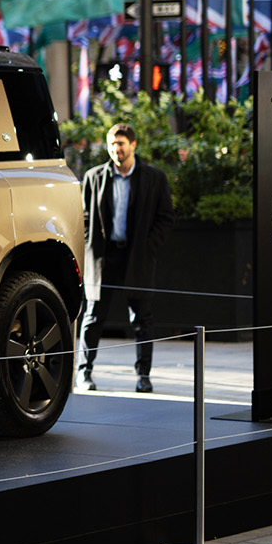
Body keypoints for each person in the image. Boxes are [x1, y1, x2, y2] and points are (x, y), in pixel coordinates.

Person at [79, 123, 173, 392]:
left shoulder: (154, 178)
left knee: (142, 319)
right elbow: (84, 216)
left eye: (120, 144)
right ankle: (84, 373)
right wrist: (89, 242)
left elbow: (165, 218)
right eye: (111, 144)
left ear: (133, 145)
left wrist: (149, 247)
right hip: (103, 258)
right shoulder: (94, 177)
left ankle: (144, 376)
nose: (115, 149)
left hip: (137, 257)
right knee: (93, 317)